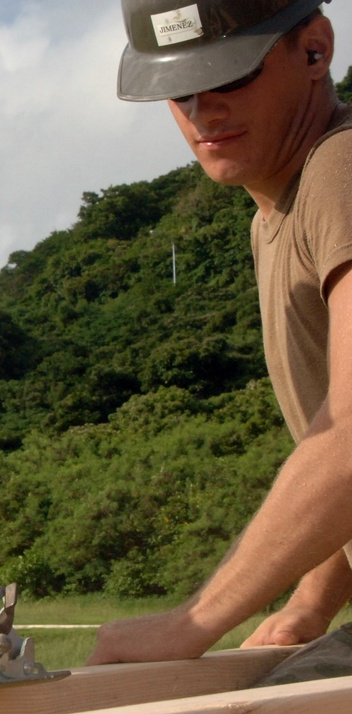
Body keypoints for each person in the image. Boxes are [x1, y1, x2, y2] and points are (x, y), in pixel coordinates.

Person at [88, 0, 352, 669]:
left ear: (315, 50)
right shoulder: (274, 215)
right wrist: (312, 601)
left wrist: (192, 621)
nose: (203, 113)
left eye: (230, 78)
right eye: (178, 90)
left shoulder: (339, 171)